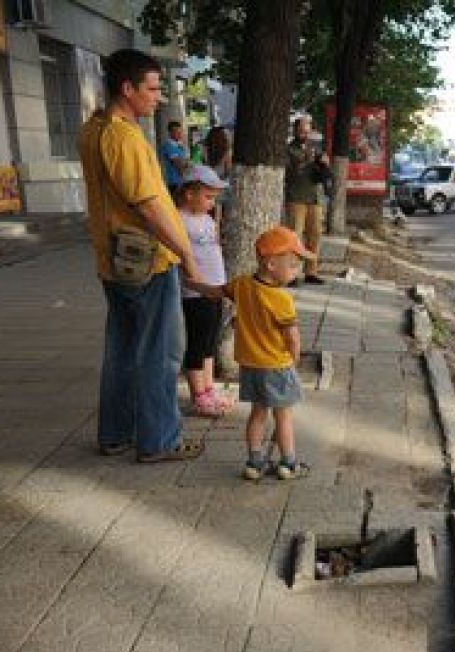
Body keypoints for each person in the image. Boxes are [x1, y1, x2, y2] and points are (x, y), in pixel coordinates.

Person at [79, 48, 205, 463]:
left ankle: (116, 434)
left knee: (122, 349)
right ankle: (158, 440)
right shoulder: (124, 137)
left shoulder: (94, 129)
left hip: (114, 259)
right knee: (159, 352)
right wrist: (187, 254)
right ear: (127, 88)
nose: (159, 96)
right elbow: (149, 206)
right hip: (145, 261)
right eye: (152, 88)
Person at [217, 226, 313, 480]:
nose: (297, 271)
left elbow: (219, 291)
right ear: (271, 264)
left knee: (257, 413)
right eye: (293, 265)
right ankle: (288, 463)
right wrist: (294, 359)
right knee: (283, 416)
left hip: (250, 365)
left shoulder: (242, 285)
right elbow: (292, 336)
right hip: (276, 365)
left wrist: (191, 281)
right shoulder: (281, 299)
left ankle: (254, 462)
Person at [176, 165, 233, 417]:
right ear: (189, 194)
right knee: (197, 344)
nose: (212, 203)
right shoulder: (178, 220)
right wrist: (197, 282)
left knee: (210, 342)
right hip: (195, 293)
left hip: (215, 290)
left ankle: (209, 389)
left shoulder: (207, 219)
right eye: (208, 197)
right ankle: (198, 395)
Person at [283, 117, 327, 285]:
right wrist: (306, 160)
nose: (305, 134)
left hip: (314, 197)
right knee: (294, 236)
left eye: (307, 131)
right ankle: (291, 273)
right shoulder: (288, 150)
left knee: (315, 235)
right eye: (302, 131)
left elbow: (319, 172)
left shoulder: (314, 148)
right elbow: (288, 173)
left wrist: (323, 163)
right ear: (295, 130)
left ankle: (311, 271)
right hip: (296, 197)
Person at [159, 121, 189, 201]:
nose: (179, 134)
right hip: (174, 182)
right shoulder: (169, 146)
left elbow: (186, 161)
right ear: (170, 133)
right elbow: (178, 165)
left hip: (181, 181)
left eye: (180, 131)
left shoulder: (179, 145)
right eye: (176, 132)